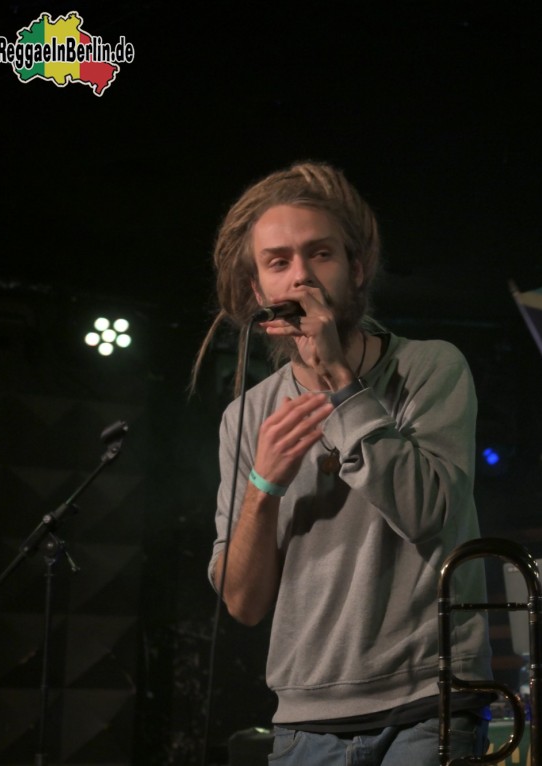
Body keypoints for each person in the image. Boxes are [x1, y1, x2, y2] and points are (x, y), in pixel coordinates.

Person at [194, 161, 492, 765]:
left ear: (356, 270)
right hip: (305, 720)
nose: (301, 275)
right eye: (278, 262)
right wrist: (263, 486)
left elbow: (428, 513)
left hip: (428, 700)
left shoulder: (430, 368)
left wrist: (339, 380)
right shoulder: (245, 416)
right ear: (259, 292)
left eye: (320, 254)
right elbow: (243, 603)